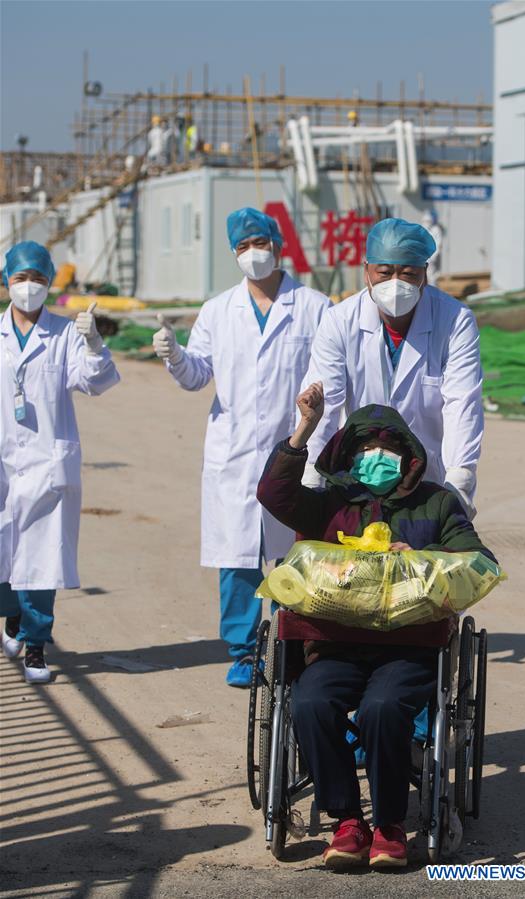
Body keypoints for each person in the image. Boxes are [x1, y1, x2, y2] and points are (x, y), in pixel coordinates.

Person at [257, 383, 496, 869]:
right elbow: (273, 493)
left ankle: (389, 825)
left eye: (388, 449)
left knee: (383, 709)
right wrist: (304, 428)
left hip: (409, 648)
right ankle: (347, 820)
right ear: (349, 455)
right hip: (334, 645)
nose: (378, 458)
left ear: (409, 456)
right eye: (366, 449)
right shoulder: (329, 502)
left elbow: (479, 561)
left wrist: (423, 559)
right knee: (310, 701)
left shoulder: (437, 504)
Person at [152, 208, 330, 688]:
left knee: (294, 557)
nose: (253, 253)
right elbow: (197, 377)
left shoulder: (314, 306)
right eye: (242, 246)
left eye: (259, 242)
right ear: (234, 253)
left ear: (277, 243)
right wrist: (174, 357)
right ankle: (245, 653)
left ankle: (293, 648)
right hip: (233, 455)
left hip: (295, 448)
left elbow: (332, 373)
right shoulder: (217, 310)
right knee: (238, 560)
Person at [303, 217, 483, 519]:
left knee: (421, 563)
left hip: (427, 481)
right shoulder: (339, 321)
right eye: (385, 272)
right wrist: (311, 477)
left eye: (408, 273)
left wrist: (459, 482)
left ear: (425, 275)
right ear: (366, 272)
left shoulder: (455, 320)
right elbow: (326, 404)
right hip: (357, 476)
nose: (396, 284)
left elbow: (462, 403)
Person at [0, 241, 120, 683]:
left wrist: (92, 342)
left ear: (49, 283)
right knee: (4, 553)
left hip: (48, 463)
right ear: (6, 281)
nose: (28, 286)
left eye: (37, 278)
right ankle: (12, 616)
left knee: (42, 558)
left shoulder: (66, 333)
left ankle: (35, 644)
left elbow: (96, 381)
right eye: (20, 278)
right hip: (3, 464)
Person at [421, 209, 444, 285]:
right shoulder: (422, 230)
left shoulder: (436, 230)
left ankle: (433, 290)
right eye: (425, 222)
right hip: (423, 257)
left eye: (428, 221)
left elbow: (438, 244)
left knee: (432, 275)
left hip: (432, 257)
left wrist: (433, 256)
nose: (426, 223)